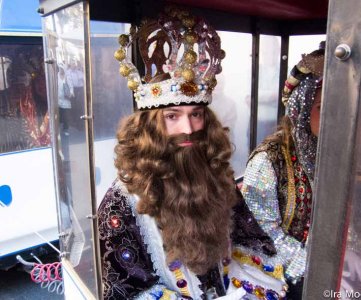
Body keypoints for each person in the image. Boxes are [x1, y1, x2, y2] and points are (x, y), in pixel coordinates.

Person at [98, 7, 287, 300]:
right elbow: (129, 290)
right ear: (150, 126)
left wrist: (243, 292)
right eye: (173, 116)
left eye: (196, 114)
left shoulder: (215, 175)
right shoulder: (120, 203)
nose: (189, 127)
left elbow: (253, 244)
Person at [241, 45, 325, 299]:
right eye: (322, 107)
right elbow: (264, 233)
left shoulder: (329, 151)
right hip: (280, 270)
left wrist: (347, 252)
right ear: (300, 110)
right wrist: (314, 267)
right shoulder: (268, 161)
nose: (334, 117)